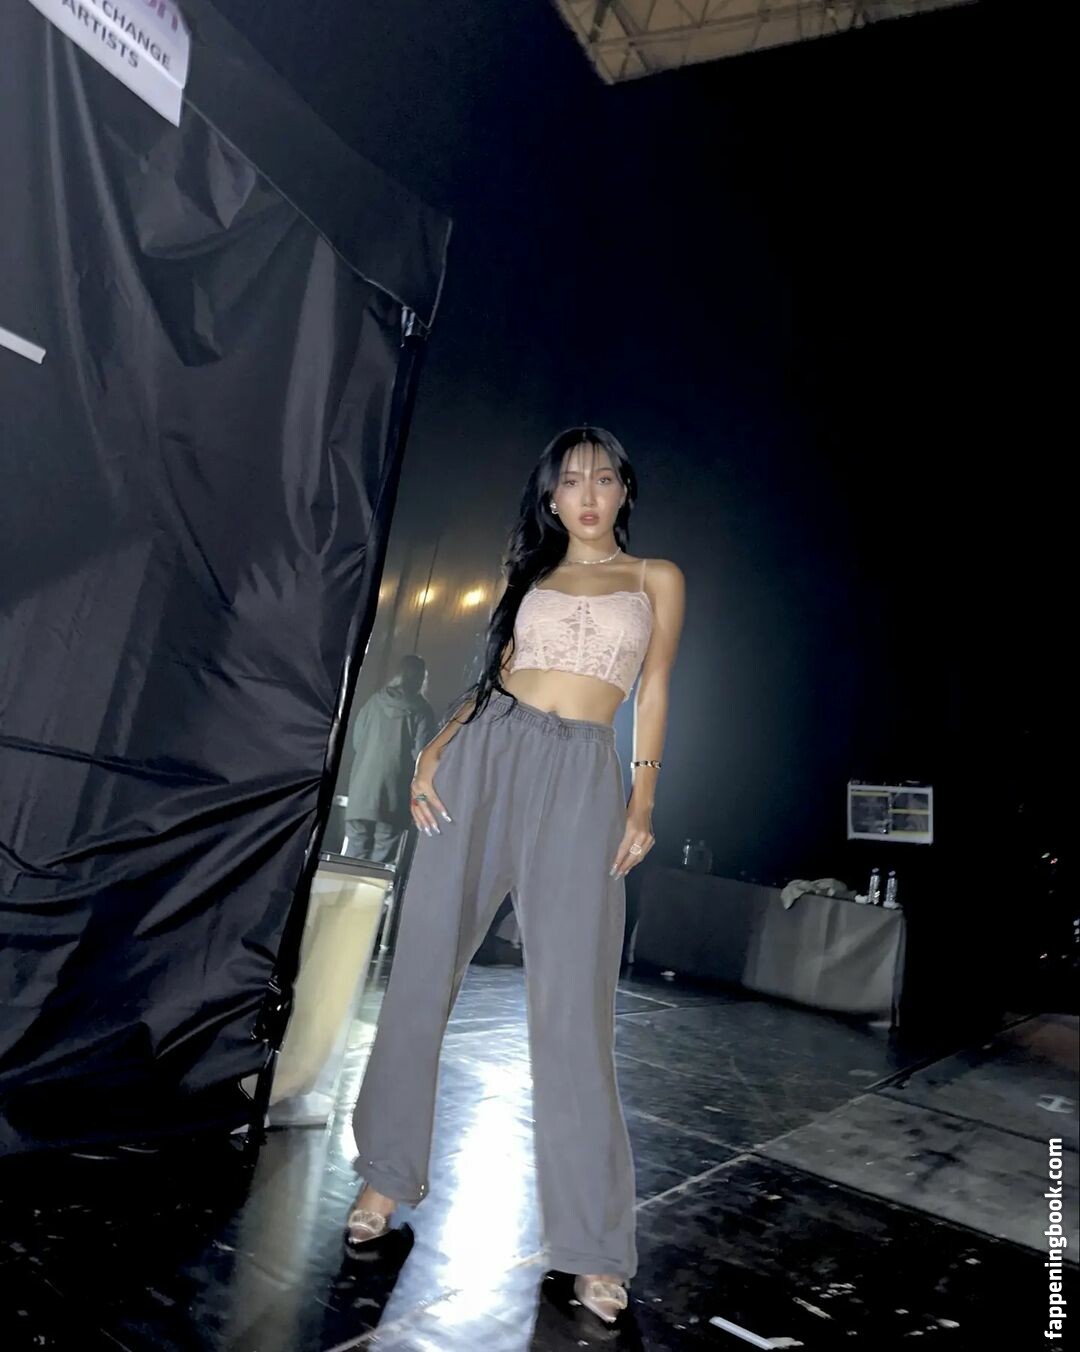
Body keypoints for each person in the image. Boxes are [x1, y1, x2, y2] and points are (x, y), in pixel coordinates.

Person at [344, 426, 685, 1324]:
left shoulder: (655, 578)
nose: (587, 494)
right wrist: (436, 746)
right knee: (422, 971)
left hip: (582, 776)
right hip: (485, 758)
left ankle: (594, 1245)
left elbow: (654, 689)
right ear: (551, 496)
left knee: (573, 1011)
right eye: (570, 480)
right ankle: (384, 1175)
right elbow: (497, 675)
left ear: (624, 490)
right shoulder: (531, 577)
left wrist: (642, 801)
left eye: (602, 478)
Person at [343, 656, 437, 865]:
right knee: (378, 865)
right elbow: (423, 756)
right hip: (394, 797)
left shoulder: (373, 702)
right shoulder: (422, 711)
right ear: (421, 678)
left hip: (361, 794)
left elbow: (357, 742)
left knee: (351, 860)